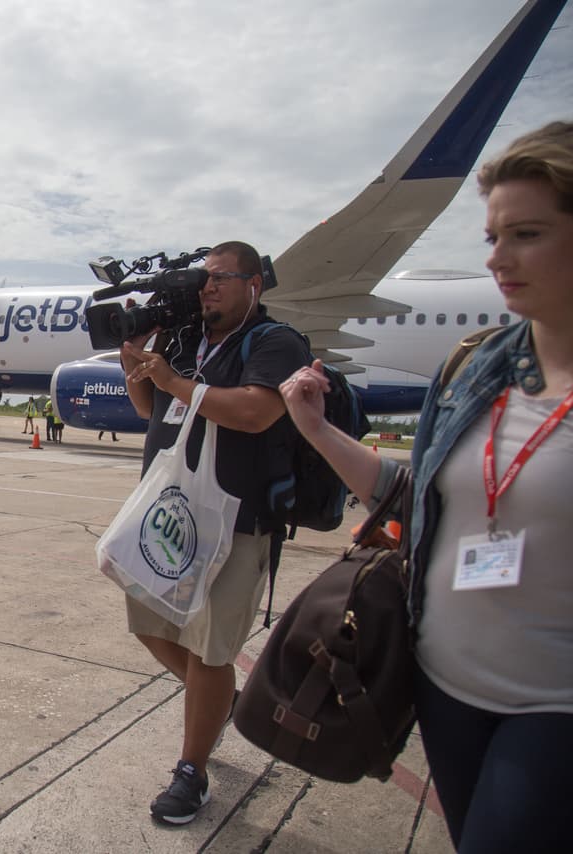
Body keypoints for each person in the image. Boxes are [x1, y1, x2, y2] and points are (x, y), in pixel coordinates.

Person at [280, 121, 573, 852]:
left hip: (553, 701)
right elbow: (415, 498)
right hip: (444, 688)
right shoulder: (473, 367)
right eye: (492, 237)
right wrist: (315, 430)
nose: (497, 258)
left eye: (527, 234)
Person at [119, 240, 310, 824]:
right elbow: (148, 409)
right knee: (148, 624)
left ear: (254, 284)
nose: (207, 288)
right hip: (170, 519)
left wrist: (175, 381)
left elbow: (254, 412)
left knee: (209, 649)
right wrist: (136, 360)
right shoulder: (183, 341)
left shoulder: (274, 342)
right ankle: (221, 701)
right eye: (204, 279)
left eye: (220, 278)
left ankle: (192, 773)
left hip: (238, 523)